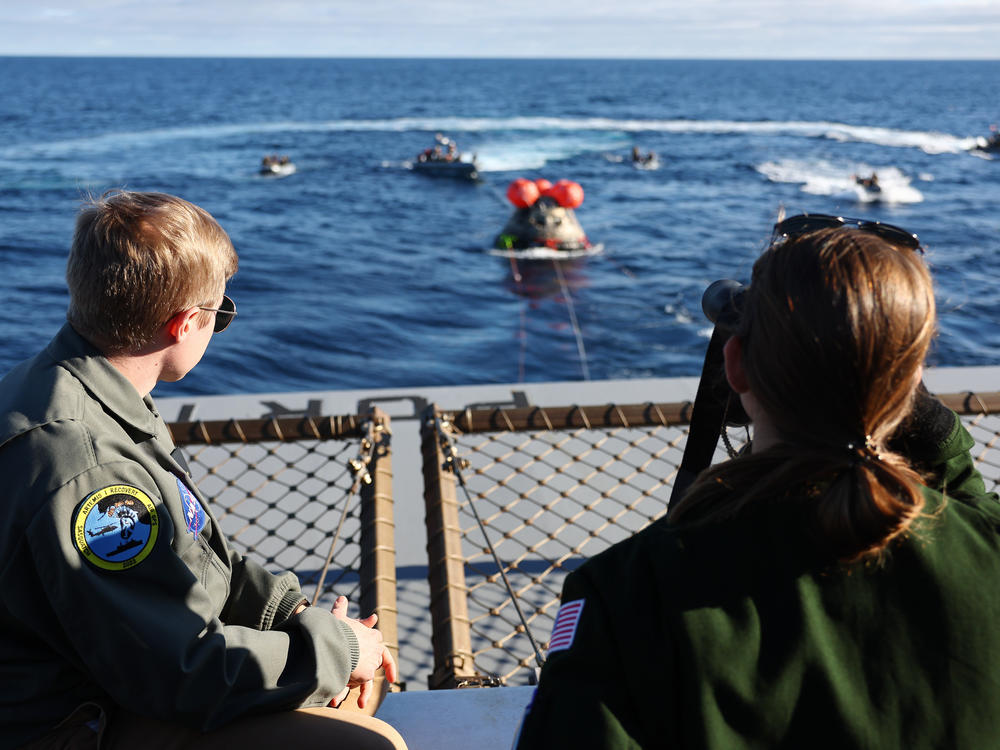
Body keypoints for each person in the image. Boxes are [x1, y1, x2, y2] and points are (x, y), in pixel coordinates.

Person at [514, 215, 1000, 748]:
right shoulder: (984, 547)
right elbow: (970, 520)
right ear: (912, 383)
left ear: (736, 365)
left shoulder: (627, 594)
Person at [0, 191, 406, 750]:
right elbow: (180, 673)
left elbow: (191, 557)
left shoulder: (74, 387)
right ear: (185, 323)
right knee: (368, 744)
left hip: (104, 679)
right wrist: (341, 651)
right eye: (220, 313)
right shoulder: (90, 470)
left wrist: (295, 614)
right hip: (66, 723)